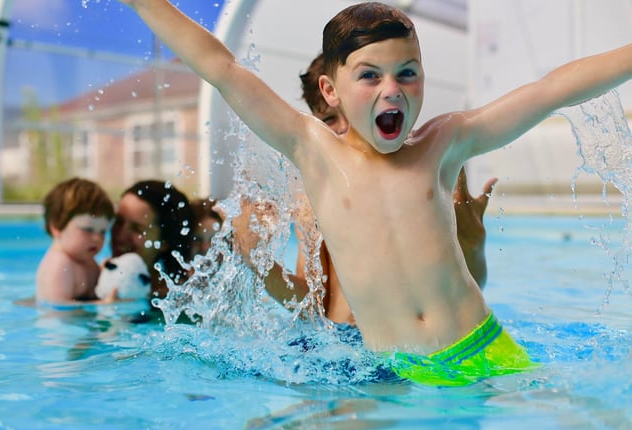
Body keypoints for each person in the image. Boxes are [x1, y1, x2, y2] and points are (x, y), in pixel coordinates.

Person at [118, 0, 632, 385]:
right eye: (370, 75)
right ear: (330, 91)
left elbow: (548, 91)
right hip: (400, 369)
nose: (393, 89)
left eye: (408, 73)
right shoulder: (314, 152)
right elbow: (224, 69)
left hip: (487, 344)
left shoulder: (442, 144)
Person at [233, 53, 496, 326]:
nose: (347, 127)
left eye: (353, 113)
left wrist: (472, 243)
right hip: (345, 345)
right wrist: (257, 262)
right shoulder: (314, 199)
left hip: (412, 347)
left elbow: (468, 292)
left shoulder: (418, 181)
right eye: (331, 119)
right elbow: (313, 305)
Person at [35, 177, 116, 305]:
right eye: (88, 229)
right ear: (57, 226)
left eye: (103, 231)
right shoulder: (59, 265)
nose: (97, 238)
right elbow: (57, 310)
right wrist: (103, 305)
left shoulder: (85, 259)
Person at [111, 180, 196, 300]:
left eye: (137, 229)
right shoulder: (89, 274)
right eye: (118, 221)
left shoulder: (177, 297)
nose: (120, 236)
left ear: (164, 242)